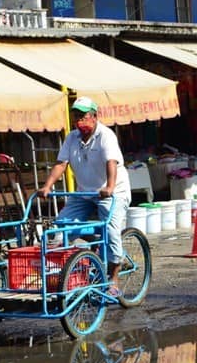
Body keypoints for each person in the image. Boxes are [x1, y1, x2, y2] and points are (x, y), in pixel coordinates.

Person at [37, 97, 131, 295]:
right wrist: (46, 186)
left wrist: (110, 187)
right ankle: (67, 273)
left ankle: (113, 279)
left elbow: (111, 162)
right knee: (62, 226)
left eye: (83, 117)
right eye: (76, 117)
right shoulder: (72, 138)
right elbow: (61, 164)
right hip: (84, 193)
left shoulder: (106, 135)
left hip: (111, 192)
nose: (79, 121)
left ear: (94, 117)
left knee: (111, 231)